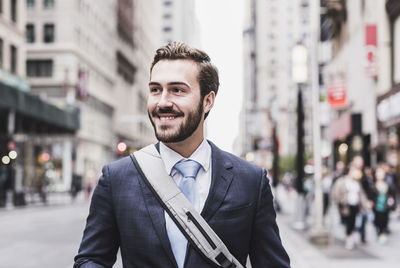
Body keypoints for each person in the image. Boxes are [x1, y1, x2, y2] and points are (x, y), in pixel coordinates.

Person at [74, 42, 290, 268]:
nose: (163, 102)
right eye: (155, 90)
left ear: (208, 101)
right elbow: (91, 259)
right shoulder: (115, 179)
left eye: (177, 90)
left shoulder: (250, 180)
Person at [332, 165, 369, 250]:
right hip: (346, 206)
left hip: (355, 205)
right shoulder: (342, 181)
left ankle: (349, 237)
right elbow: (336, 193)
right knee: (348, 222)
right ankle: (349, 238)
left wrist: (365, 204)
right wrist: (340, 201)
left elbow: (361, 194)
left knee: (353, 222)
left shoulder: (356, 182)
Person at [371, 166, 395, 244]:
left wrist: (391, 201)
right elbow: (370, 196)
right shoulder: (373, 185)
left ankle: (381, 233)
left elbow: (392, 194)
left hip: (385, 207)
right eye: (378, 173)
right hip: (376, 207)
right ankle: (379, 233)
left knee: (384, 221)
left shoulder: (387, 184)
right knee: (377, 221)